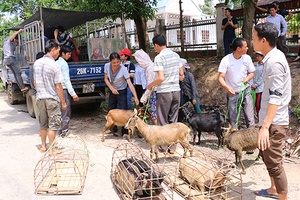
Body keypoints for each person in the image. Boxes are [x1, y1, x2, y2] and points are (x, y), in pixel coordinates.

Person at [252, 22, 291, 200]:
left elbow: (275, 97)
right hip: (269, 119)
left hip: (274, 121)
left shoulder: (274, 62)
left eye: (253, 38)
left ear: (264, 40)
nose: (252, 41)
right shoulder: (272, 58)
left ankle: (283, 197)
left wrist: (265, 127)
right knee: (268, 157)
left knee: (275, 163)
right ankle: (273, 189)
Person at [146, 34, 184, 154]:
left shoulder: (159, 58)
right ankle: (172, 148)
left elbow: (160, 78)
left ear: (156, 45)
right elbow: (182, 74)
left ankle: (162, 146)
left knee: (162, 120)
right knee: (173, 119)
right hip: (176, 91)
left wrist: (151, 85)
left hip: (164, 92)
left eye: (154, 47)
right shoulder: (176, 55)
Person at [33, 39, 67, 154]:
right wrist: (63, 102)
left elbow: (35, 82)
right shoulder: (54, 65)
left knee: (43, 124)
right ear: (53, 50)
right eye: (58, 50)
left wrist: (40, 91)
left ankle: (43, 146)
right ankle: (52, 149)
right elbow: (58, 86)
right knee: (53, 125)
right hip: (51, 98)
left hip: (40, 97)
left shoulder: (36, 63)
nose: (58, 52)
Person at [218, 37, 256, 130]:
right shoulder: (226, 60)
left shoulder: (247, 58)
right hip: (232, 92)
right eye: (245, 47)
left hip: (245, 90)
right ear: (239, 48)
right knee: (233, 118)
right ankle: (234, 138)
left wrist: (247, 78)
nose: (247, 48)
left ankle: (251, 136)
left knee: (249, 116)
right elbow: (220, 78)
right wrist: (227, 88)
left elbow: (252, 73)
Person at [104, 52, 139, 139]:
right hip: (112, 89)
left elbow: (129, 83)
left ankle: (125, 132)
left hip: (122, 90)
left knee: (122, 111)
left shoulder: (123, 69)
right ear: (110, 61)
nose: (116, 64)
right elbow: (106, 79)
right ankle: (113, 128)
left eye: (118, 62)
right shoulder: (106, 66)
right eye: (114, 63)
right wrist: (112, 89)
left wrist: (135, 97)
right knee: (111, 109)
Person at [56, 45, 79, 137]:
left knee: (59, 110)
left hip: (56, 89)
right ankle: (64, 131)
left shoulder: (56, 63)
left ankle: (60, 129)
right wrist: (73, 93)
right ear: (63, 54)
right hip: (63, 89)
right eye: (68, 54)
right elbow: (66, 80)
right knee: (65, 110)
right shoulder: (64, 64)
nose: (70, 56)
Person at [133, 49, 157, 125]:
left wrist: (145, 97)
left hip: (154, 93)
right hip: (155, 92)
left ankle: (159, 132)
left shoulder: (150, 69)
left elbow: (151, 85)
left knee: (154, 115)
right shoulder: (151, 66)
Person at [3, 29, 29, 93]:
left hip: (6, 60)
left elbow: (16, 44)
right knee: (18, 73)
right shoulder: (10, 40)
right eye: (18, 41)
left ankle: (22, 88)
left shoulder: (6, 42)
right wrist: (19, 31)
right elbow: (13, 36)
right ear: (16, 39)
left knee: (15, 74)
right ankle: (23, 87)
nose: (18, 43)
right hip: (10, 58)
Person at [30, 52, 45, 120]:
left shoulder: (32, 67)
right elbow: (35, 81)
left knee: (38, 113)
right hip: (38, 93)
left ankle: (42, 128)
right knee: (42, 113)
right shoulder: (37, 67)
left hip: (35, 93)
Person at [250, 51, 264, 116]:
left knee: (259, 104)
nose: (257, 57)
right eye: (257, 56)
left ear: (262, 57)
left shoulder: (264, 66)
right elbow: (252, 74)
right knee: (255, 104)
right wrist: (252, 84)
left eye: (259, 56)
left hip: (260, 88)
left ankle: (260, 118)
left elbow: (262, 77)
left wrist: (256, 84)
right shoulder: (255, 65)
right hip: (254, 87)